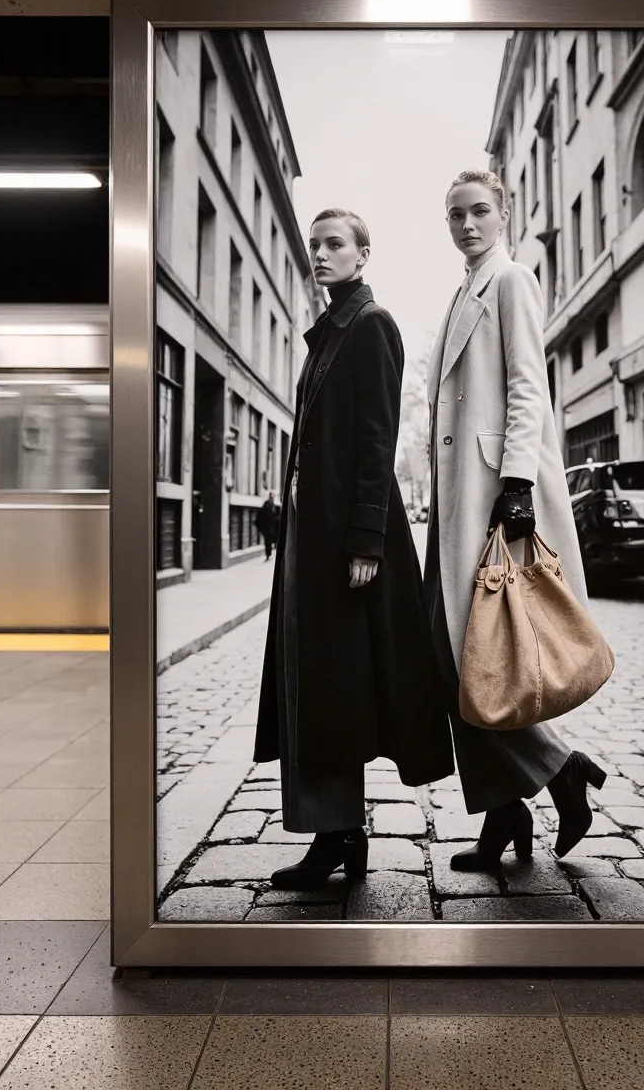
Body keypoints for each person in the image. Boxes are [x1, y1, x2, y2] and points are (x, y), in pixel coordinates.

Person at [254, 208, 454, 890]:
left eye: (334, 244)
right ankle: (337, 834)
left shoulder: (370, 325)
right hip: (311, 542)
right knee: (317, 687)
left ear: (363, 255)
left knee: (336, 688)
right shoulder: (330, 331)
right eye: (314, 246)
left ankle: (341, 835)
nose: (319, 255)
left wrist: (366, 538)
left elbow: (379, 439)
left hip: (345, 544)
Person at [423, 169, 607, 876]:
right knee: (453, 661)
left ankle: (559, 771)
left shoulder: (511, 280)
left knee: (475, 660)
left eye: (477, 212)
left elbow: (530, 383)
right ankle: (508, 808)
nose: (467, 224)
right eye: (454, 215)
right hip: (455, 499)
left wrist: (519, 484)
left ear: (503, 213)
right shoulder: (462, 290)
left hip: (492, 496)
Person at [255, 492, 280, 561]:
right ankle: (269, 554)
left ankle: (268, 554)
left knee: (269, 541)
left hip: (270, 527)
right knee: (270, 541)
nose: (273, 498)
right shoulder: (269, 505)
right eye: (272, 497)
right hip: (270, 527)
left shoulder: (272, 505)